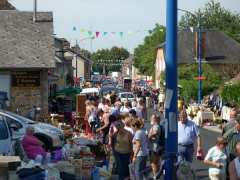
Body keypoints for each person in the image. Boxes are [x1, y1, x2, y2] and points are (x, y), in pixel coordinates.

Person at [148, 114, 162, 179]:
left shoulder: (156, 126)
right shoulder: (155, 126)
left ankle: (155, 176)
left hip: (154, 148)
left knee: (154, 164)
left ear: (155, 119)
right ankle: (156, 176)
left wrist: (149, 136)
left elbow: (155, 133)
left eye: (152, 118)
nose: (151, 119)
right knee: (155, 163)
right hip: (155, 147)